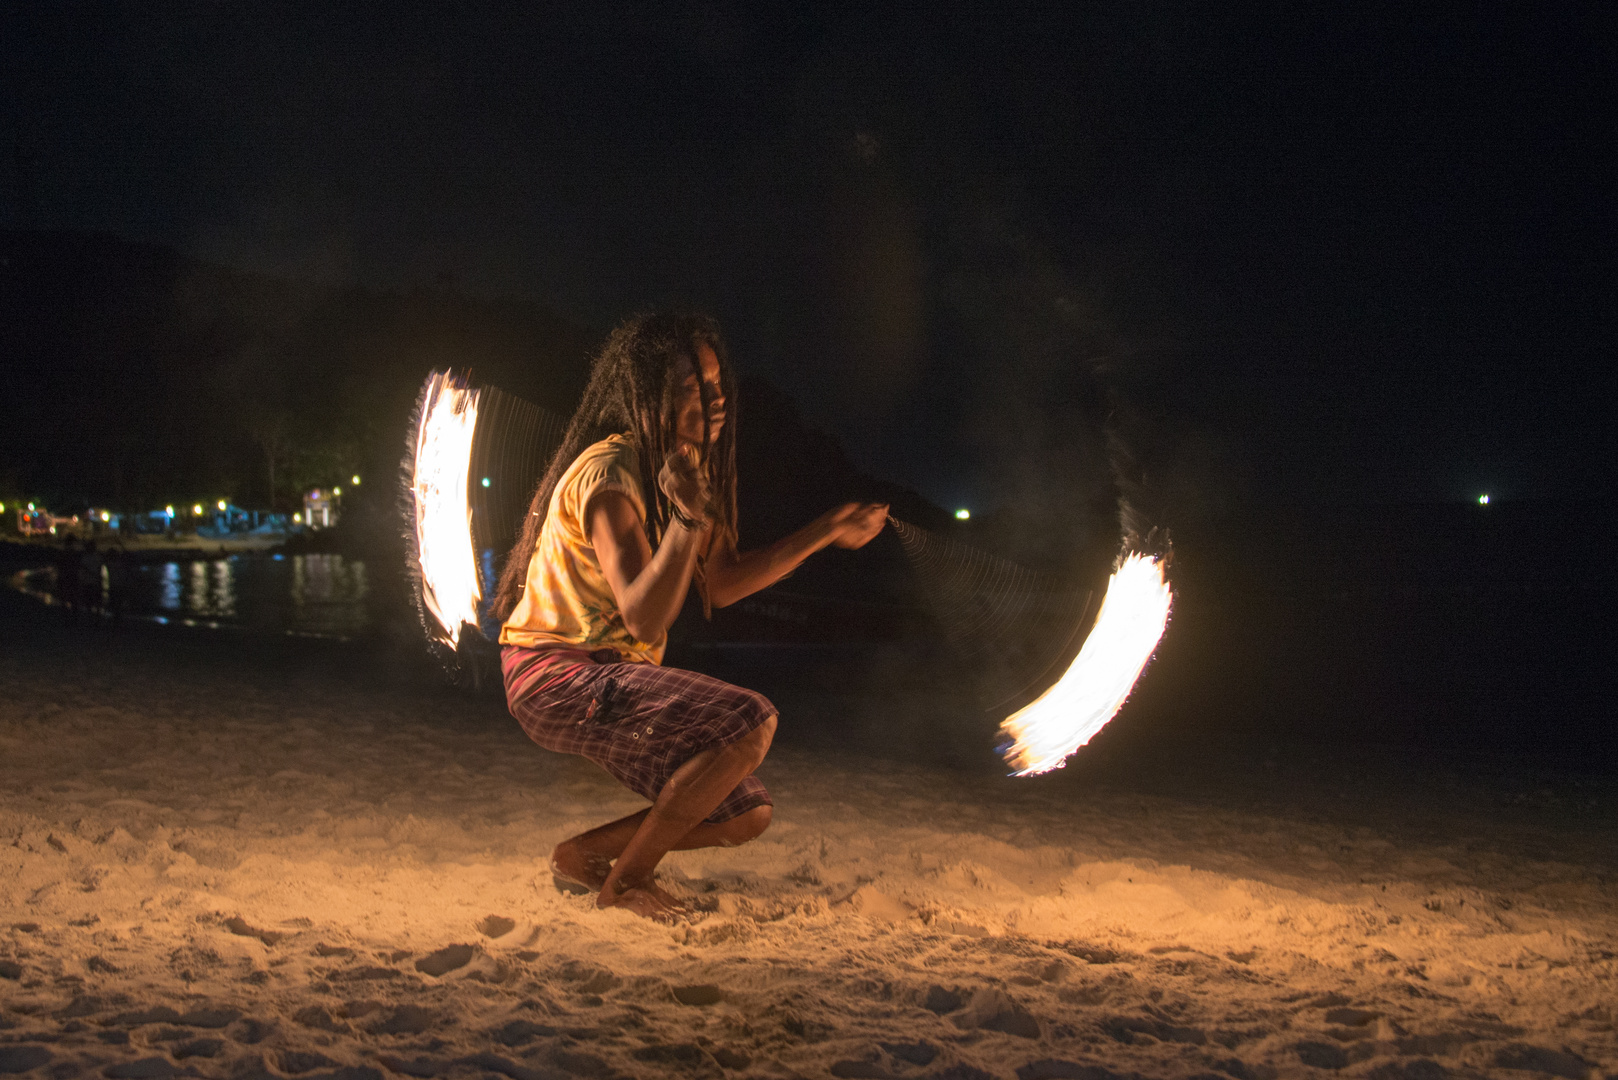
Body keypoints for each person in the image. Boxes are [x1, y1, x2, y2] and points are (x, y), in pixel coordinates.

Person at [492, 312, 887, 921]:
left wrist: (826, 530)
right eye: (691, 386)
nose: (715, 396)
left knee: (742, 810)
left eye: (718, 381)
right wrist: (686, 519)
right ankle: (626, 884)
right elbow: (646, 620)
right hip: (553, 673)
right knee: (751, 720)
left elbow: (723, 583)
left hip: (608, 678)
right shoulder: (610, 473)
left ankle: (583, 858)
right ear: (647, 394)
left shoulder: (692, 470)